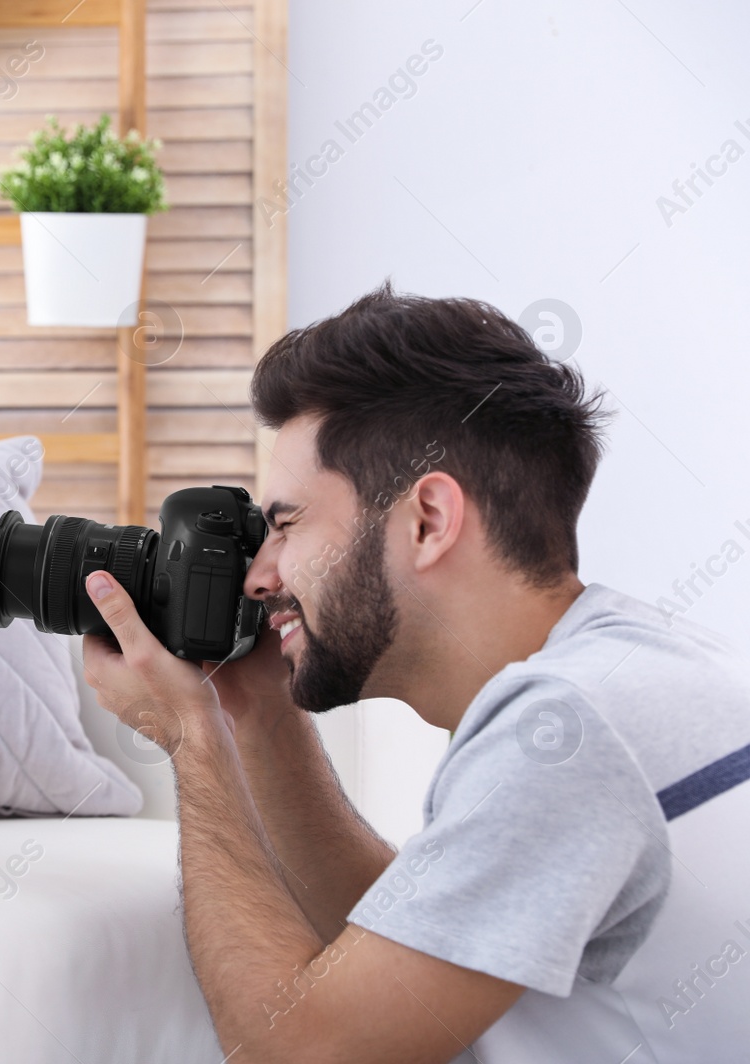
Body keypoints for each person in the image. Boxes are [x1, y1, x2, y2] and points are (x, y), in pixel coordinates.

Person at [81, 283, 750, 1063]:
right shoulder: (629, 674)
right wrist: (258, 717)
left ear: (427, 520)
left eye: (287, 524)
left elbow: (298, 1055)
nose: (261, 575)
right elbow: (405, 960)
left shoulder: (564, 735)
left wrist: (192, 740)